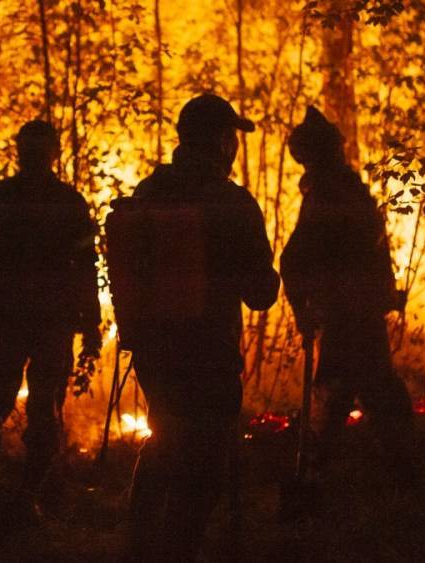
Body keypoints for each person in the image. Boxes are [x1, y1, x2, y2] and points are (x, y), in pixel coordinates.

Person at [119, 94, 280, 561]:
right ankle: (179, 550)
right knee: (206, 458)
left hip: (153, 351)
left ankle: (139, 543)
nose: (234, 144)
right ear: (219, 140)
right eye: (231, 135)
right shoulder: (231, 202)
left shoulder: (149, 191)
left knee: (165, 439)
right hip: (209, 350)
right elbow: (260, 293)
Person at [0, 120, 101, 501]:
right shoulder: (60, 201)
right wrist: (90, 323)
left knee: (27, 405)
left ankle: (18, 490)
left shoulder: (15, 198)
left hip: (31, 319)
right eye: (32, 149)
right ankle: (14, 491)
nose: (35, 156)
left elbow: (86, 266)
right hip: (34, 319)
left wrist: (90, 322)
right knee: (16, 403)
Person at [280, 106, 414, 484]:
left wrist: (302, 308)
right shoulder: (342, 192)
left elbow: (297, 260)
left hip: (346, 314)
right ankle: (390, 476)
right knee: (365, 392)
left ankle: (319, 477)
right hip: (353, 314)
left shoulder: (330, 194)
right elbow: (303, 259)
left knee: (346, 393)